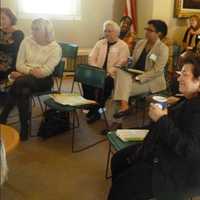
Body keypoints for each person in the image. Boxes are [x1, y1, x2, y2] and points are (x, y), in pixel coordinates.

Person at [108, 54, 200, 200]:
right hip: (163, 150)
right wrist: (178, 102)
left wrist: (162, 119)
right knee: (118, 160)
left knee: (122, 185)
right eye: (180, 73)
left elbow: (190, 149)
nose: (179, 78)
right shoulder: (190, 99)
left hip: (176, 171)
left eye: (185, 74)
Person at [0, 18, 61, 141]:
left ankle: (3, 116)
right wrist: (30, 71)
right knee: (24, 91)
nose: (33, 31)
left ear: (46, 31)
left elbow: (45, 72)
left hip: (44, 81)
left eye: (37, 29)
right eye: (32, 28)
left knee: (19, 82)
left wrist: (23, 73)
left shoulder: (55, 48)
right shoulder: (26, 41)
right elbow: (19, 65)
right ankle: (24, 128)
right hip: (25, 80)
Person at [113, 19, 169, 119]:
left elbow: (157, 71)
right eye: (146, 29)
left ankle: (118, 121)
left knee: (119, 89)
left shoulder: (163, 49)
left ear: (159, 33)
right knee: (120, 72)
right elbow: (133, 60)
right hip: (134, 74)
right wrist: (127, 62)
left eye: (150, 30)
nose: (146, 32)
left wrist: (139, 78)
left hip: (151, 81)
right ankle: (124, 107)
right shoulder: (140, 43)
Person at [83, 20, 129, 124]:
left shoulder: (123, 46)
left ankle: (98, 110)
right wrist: (96, 69)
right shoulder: (100, 43)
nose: (107, 33)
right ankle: (92, 106)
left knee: (106, 84)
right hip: (98, 71)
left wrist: (108, 72)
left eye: (110, 31)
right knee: (85, 79)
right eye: (105, 31)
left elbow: (121, 63)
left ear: (117, 32)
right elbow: (91, 57)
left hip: (113, 75)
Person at [0, 8, 24, 81]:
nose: (1, 21)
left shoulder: (18, 34)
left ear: (11, 18)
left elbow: (13, 51)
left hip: (9, 64)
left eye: (3, 18)